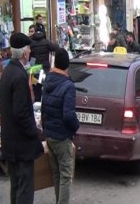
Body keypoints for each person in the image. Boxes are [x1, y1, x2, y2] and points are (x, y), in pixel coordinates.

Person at [0, 32, 44, 204]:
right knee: (24, 189)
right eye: (29, 50)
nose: (30, 53)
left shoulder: (8, 71)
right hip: (21, 144)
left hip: (11, 142)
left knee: (16, 186)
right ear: (25, 53)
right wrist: (35, 132)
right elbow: (21, 113)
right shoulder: (18, 76)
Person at [42, 48, 79, 204]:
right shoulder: (68, 85)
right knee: (65, 175)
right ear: (67, 65)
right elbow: (69, 115)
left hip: (49, 134)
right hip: (61, 135)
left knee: (57, 174)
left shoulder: (48, 81)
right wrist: (75, 127)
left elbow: (44, 107)